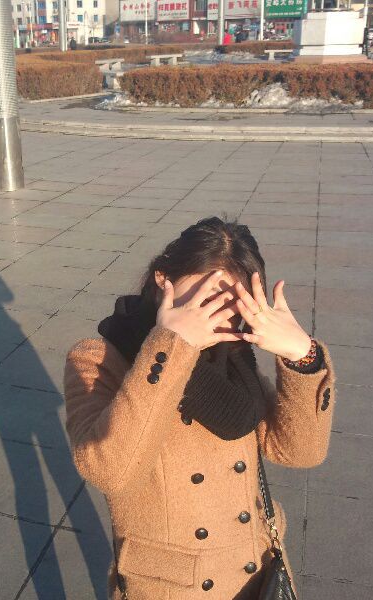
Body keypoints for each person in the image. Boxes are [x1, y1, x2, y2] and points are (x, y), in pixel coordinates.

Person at [64, 217, 336, 600]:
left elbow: (299, 452)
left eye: (231, 302)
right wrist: (172, 345)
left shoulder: (233, 361)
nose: (215, 314)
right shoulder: (98, 358)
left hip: (255, 573)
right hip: (171, 588)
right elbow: (110, 470)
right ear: (162, 280)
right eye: (202, 296)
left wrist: (302, 357)